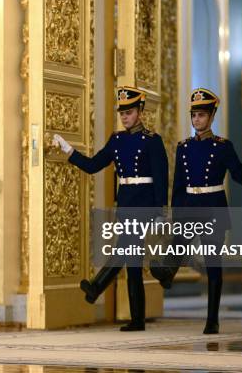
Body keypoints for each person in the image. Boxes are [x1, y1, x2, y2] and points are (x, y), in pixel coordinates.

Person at [54, 86, 168, 331]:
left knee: (126, 250)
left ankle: (97, 286)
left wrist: (160, 211)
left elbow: (161, 177)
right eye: (121, 113)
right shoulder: (116, 140)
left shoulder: (152, 141)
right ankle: (137, 319)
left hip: (145, 203)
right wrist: (70, 151)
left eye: (128, 112)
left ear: (139, 111)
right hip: (126, 203)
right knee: (133, 262)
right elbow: (94, 165)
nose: (124, 116)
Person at [150, 88, 242, 334]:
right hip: (190, 207)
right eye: (194, 116)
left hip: (213, 207)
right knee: (178, 242)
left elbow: (239, 175)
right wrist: (174, 214)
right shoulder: (184, 147)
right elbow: (179, 185)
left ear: (212, 116)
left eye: (202, 115)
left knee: (214, 264)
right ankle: (167, 272)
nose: (197, 120)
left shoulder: (223, 146)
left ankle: (212, 319)